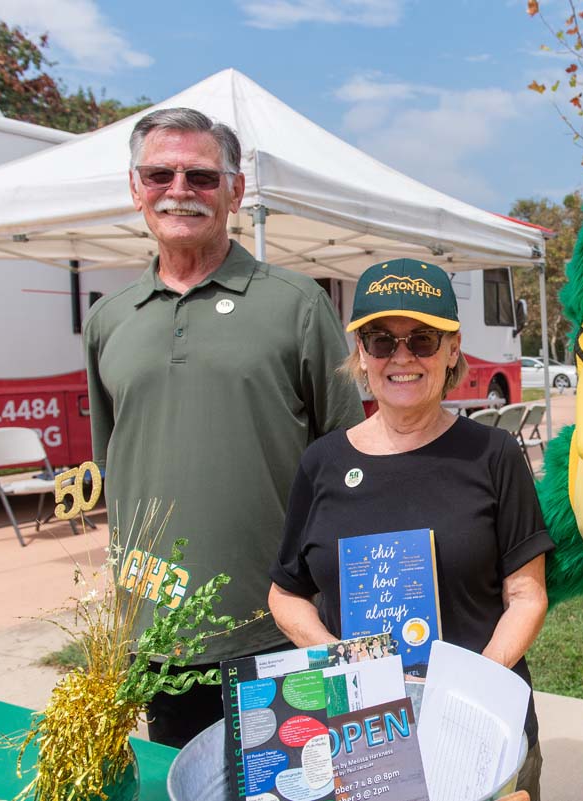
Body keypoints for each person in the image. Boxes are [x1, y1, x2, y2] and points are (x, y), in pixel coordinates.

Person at [84, 107, 365, 747]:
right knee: (183, 782)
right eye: (159, 174)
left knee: (295, 782)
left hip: (280, 624)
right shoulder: (108, 321)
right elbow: (116, 467)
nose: (179, 190)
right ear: (135, 189)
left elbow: (348, 463)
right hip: (158, 632)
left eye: (202, 177)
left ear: (235, 192)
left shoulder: (298, 305)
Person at [269, 258, 552, 799]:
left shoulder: (493, 455)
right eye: (381, 341)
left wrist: (466, 691)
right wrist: (342, 664)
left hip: (481, 732)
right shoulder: (322, 464)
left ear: (452, 349)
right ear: (360, 353)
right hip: (365, 739)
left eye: (422, 340)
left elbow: (526, 596)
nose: (402, 358)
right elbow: (286, 594)